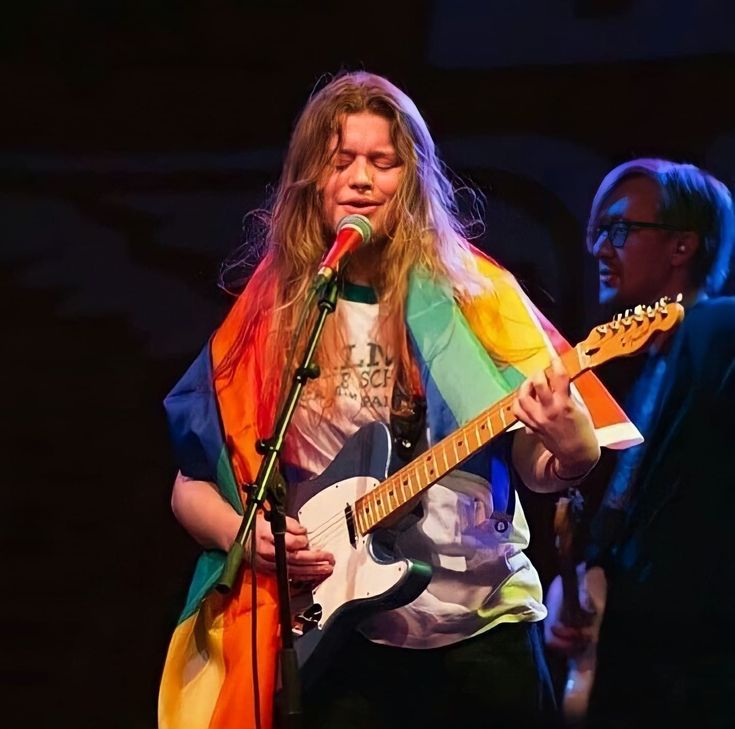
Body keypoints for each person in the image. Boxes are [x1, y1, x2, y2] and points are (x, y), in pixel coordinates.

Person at [157, 71, 637, 729]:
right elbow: (191, 483)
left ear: (409, 180)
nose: (360, 179)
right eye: (340, 161)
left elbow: (538, 462)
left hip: (481, 626)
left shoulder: (477, 297)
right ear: (309, 181)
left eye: (381, 162)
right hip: (338, 639)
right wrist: (246, 541)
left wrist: (572, 450)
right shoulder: (269, 317)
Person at [544, 159, 735, 729]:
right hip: (641, 664)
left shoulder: (717, 332)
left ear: (682, 246)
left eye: (621, 230)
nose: (601, 247)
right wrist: (580, 588)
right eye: (597, 231)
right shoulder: (642, 364)